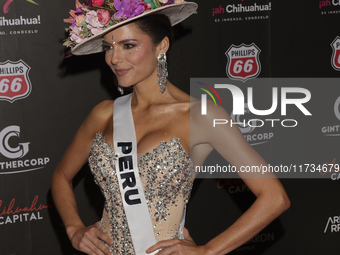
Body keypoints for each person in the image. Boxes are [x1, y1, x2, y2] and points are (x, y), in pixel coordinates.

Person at [51, 1, 290, 255]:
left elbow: (275, 198)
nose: (114, 58)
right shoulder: (103, 114)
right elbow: (61, 177)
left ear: (161, 46)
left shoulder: (200, 115)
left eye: (128, 45)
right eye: (108, 47)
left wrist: (208, 250)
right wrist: (74, 228)